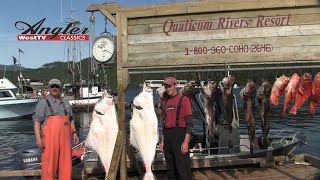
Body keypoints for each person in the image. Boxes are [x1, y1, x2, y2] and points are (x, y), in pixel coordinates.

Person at [33, 78, 79, 180]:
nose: (54, 88)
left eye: (57, 86)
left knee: (66, 168)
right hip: (49, 142)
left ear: (60, 88)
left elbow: (71, 119)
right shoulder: (43, 103)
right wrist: (38, 139)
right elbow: (36, 122)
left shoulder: (66, 103)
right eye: (52, 86)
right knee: (49, 169)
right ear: (49, 88)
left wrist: (75, 132)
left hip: (65, 142)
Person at [159, 77, 193, 180]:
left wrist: (186, 142)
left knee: (182, 168)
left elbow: (189, 124)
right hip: (168, 137)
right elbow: (165, 123)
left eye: (170, 86)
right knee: (170, 170)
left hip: (180, 135)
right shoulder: (165, 102)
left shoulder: (184, 100)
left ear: (175, 85)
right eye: (166, 86)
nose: (168, 88)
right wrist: (162, 141)